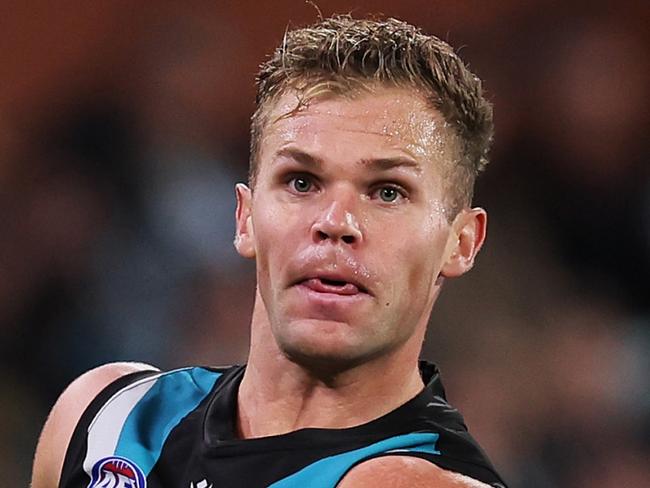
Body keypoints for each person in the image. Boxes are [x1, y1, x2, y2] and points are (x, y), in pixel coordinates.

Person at [31, 15, 507, 488]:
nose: (334, 222)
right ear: (244, 218)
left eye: (387, 192)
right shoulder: (104, 420)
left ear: (461, 243)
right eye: (301, 182)